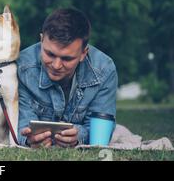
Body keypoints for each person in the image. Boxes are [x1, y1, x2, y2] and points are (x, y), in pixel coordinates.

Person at [17, 8, 118, 148]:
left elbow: (100, 132)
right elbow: (20, 122)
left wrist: (79, 136)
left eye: (67, 58)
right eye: (50, 54)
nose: (56, 65)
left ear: (84, 53)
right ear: (41, 40)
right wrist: (29, 139)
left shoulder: (105, 70)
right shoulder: (22, 66)